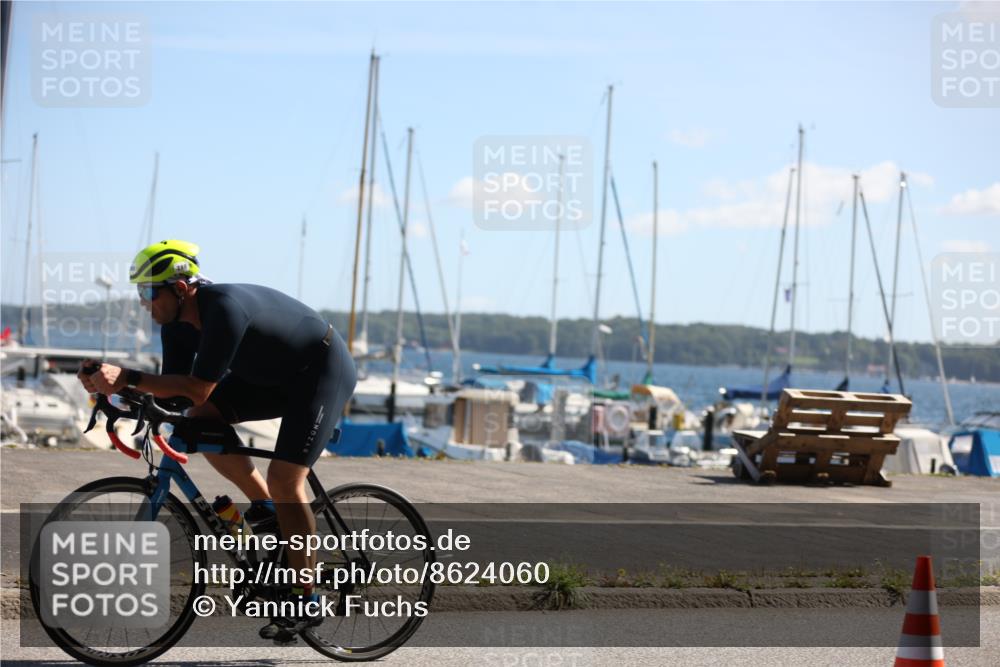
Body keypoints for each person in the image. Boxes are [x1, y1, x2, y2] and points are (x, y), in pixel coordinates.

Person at [78, 239, 357, 643]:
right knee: (199, 419)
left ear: (179, 288)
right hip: (270, 378)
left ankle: (306, 598)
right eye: (138, 292)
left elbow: (198, 388)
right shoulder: (175, 326)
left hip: (319, 373)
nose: (143, 302)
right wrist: (116, 390)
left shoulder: (222, 307)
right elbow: (176, 395)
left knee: (285, 480)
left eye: (148, 292)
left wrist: (129, 377)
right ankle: (267, 508)